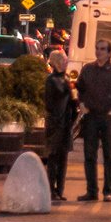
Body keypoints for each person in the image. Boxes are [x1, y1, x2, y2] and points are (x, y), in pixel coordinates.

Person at [76, 40, 111, 202]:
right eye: (97, 48)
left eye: (102, 49)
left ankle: (108, 191)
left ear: (109, 52)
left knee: (108, 155)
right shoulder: (88, 69)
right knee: (89, 155)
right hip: (91, 116)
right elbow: (80, 88)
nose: (99, 52)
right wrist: (82, 104)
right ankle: (91, 191)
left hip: (108, 117)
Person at [42, 50, 77, 203]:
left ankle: (59, 190)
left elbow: (71, 101)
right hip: (56, 123)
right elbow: (51, 102)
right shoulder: (51, 80)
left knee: (63, 158)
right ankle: (51, 190)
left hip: (66, 122)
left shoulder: (65, 79)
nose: (66, 62)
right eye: (63, 60)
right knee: (53, 157)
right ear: (56, 62)